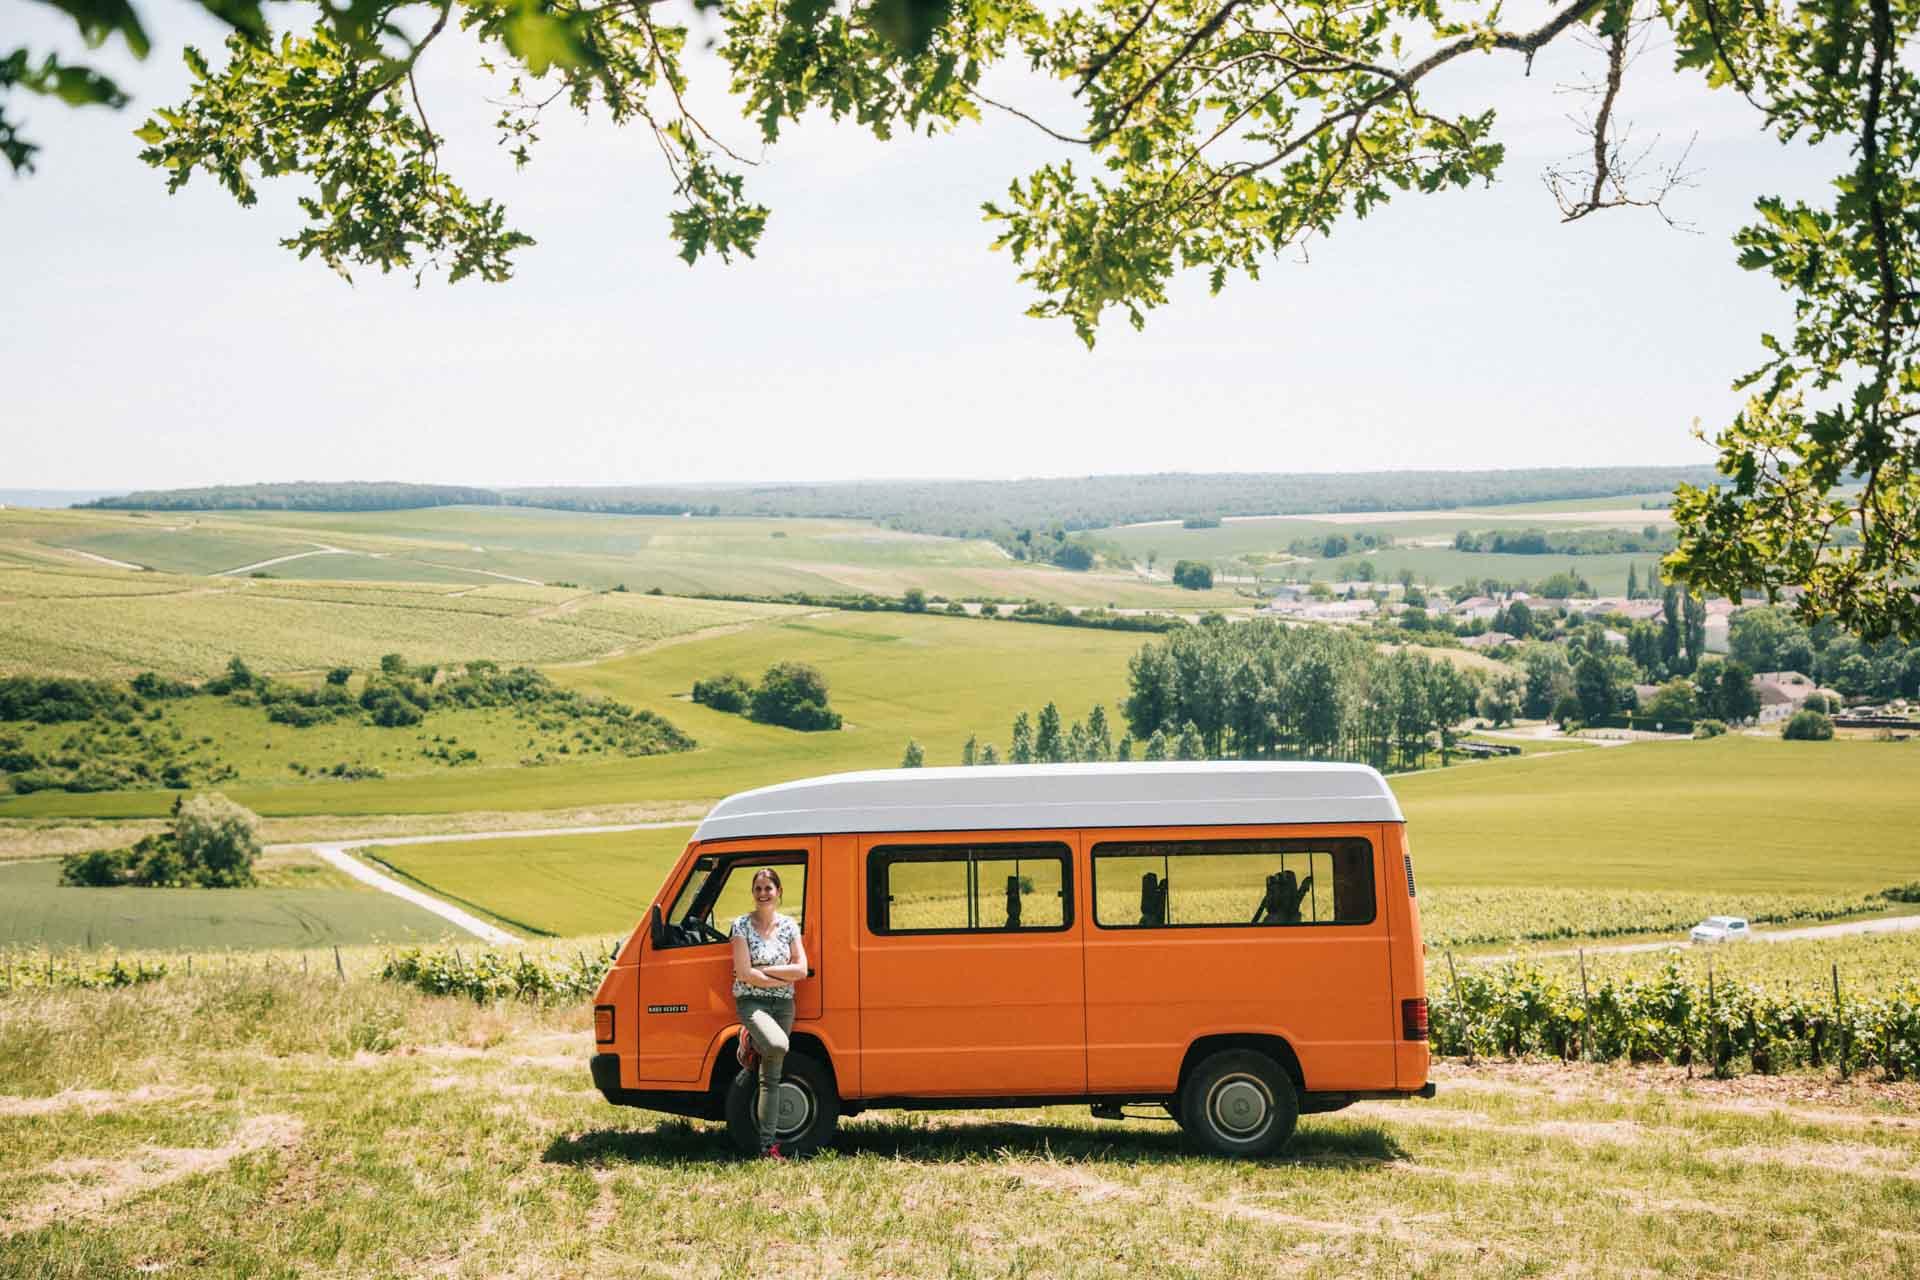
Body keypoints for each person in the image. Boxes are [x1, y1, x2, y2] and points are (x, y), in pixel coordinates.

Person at [730, 868, 808, 1158]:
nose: (763, 893)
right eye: (758, 888)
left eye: (768, 888)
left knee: (770, 1077)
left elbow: (801, 969)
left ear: (779, 892)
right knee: (776, 1045)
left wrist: (763, 971)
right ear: (753, 893)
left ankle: (767, 1146)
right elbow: (743, 973)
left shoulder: (789, 926)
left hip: (784, 1005)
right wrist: (779, 976)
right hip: (753, 1004)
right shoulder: (740, 925)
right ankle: (750, 1038)